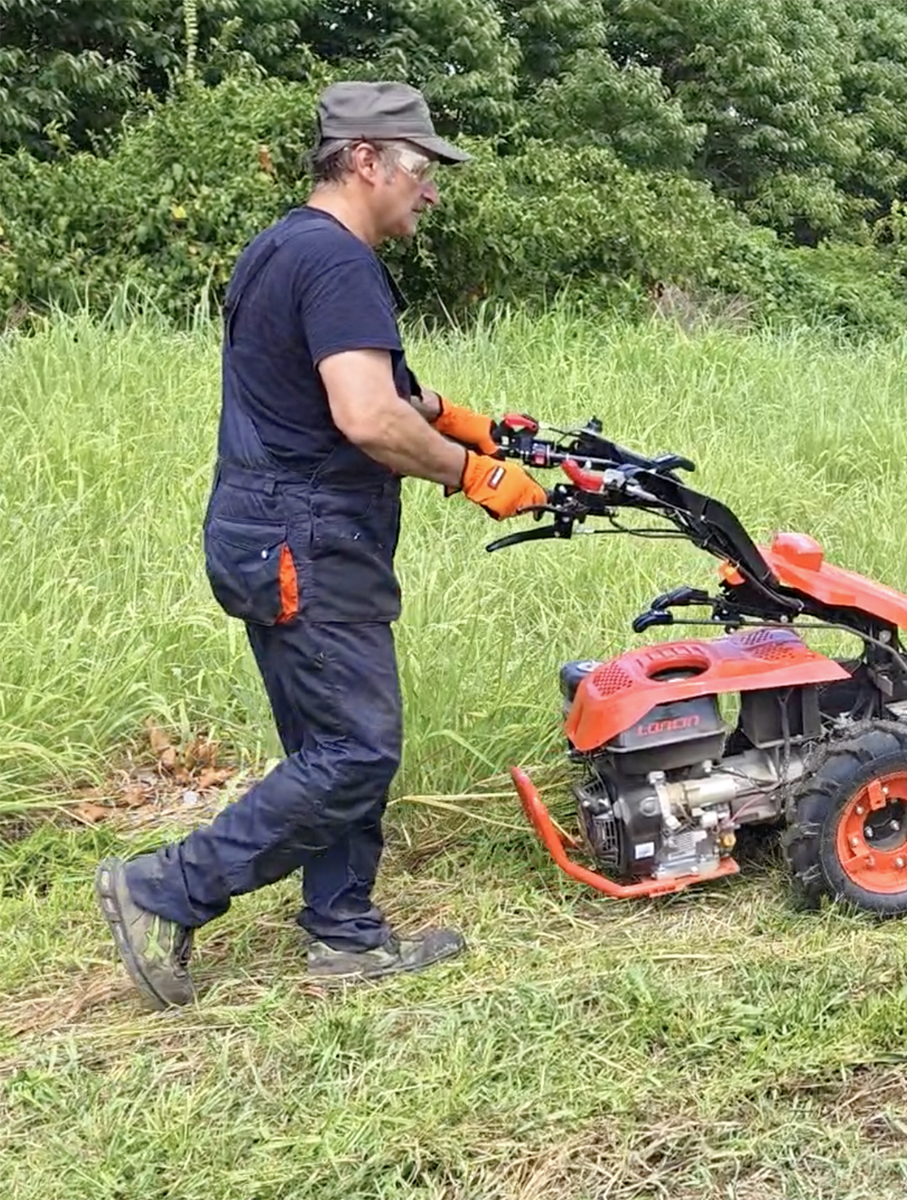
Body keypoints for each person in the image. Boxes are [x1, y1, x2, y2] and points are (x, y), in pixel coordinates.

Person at [92, 81, 548, 1010]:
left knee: (329, 741)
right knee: (357, 750)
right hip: (307, 538)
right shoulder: (338, 260)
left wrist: (453, 416)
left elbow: (349, 386)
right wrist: (473, 474)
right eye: (421, 169)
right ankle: (164, 890)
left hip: (271, 530)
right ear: (366, 160)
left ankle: (345, 932)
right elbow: (366, 416)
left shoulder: (282, 247)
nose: (431, 190)